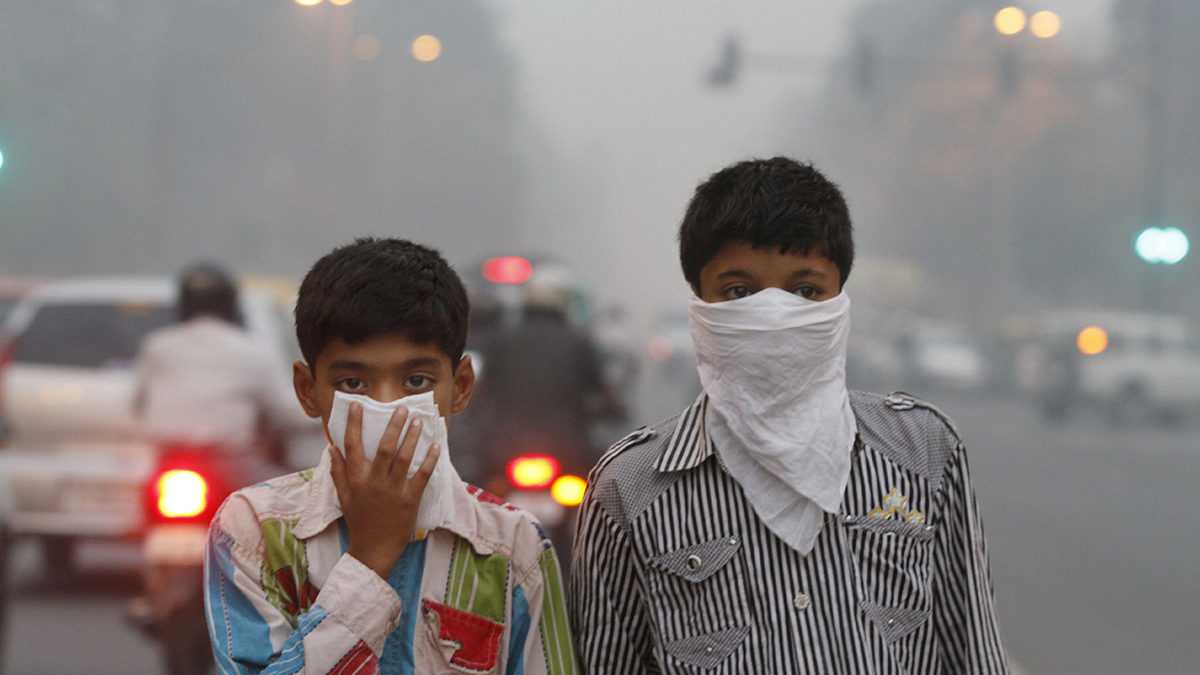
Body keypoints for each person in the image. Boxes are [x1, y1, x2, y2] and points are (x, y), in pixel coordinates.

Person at [570, 158, 1008, 674]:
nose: (774, 315)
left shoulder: (924, 452)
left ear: (840, 296)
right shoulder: (629, 489)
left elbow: (973, 654)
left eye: (805, 291)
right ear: (699, 303)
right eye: (739, 292)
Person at [204, 238, 577, 675]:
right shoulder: (255, 533)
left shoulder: (514, 548)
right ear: (309, 392)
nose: (387, 407)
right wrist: (368, 559)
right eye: (353, 384)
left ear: (459, 388)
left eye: (416, 381)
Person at [134, 264, 306, 456]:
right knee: (277, 483)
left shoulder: (157, 344)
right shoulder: (251, 349)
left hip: (165, 454)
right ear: (231, 303)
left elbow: (138, 401)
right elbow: (282, 407)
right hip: (228, 457)